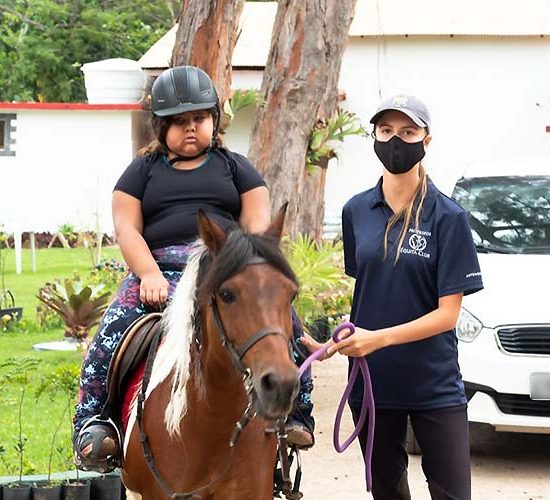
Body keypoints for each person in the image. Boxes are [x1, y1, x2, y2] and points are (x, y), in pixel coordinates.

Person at [73, 65, 314, 473]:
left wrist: (247, 265)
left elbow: (256, 221)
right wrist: (147, 273)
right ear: (160, 126)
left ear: (214, 121)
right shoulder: (142, 171)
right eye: (179, 122)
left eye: (199, 119)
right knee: (111, 333)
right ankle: (95, 422)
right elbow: (127, 227)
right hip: (160, 268)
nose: (191, 129)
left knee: (284, 324)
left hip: (224, 267)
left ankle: (297, 410)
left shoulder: (236, 167)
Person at [302, 95, 483, 500]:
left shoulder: (449, 218)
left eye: (407, 132)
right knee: (387, 492)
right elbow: (370, 291)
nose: (395, 141)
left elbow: (447, 315)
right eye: (386, 132)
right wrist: (340, 341)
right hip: (372, 382)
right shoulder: (355, 211)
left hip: (434, 384)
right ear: (374, 137)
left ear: (426, 141)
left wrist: (377, 337)